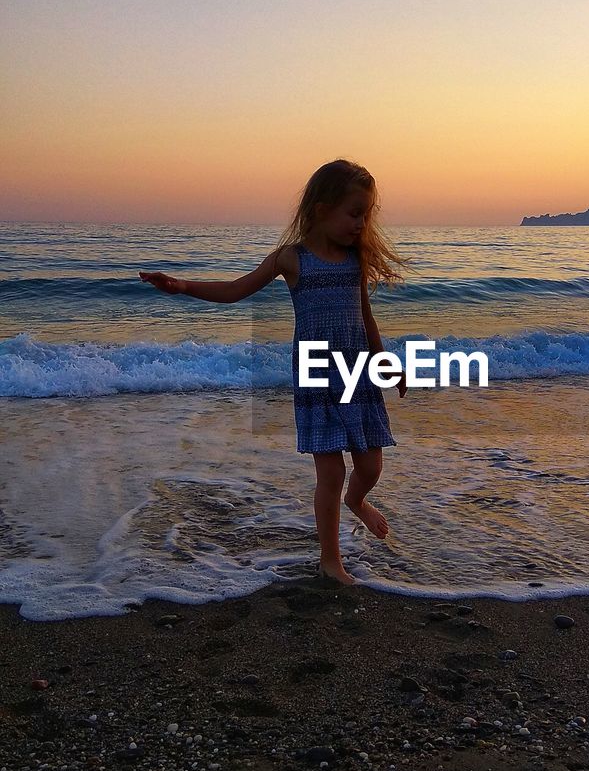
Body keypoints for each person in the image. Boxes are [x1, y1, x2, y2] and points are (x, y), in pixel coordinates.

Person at [139, 159, 407, 585]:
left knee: (371, 466)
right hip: (318, 374)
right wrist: (184, 287)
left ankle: (358, 501)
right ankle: (330, 560)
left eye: (366, 214)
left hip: (357, 371)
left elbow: (365, 316)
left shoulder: (355, 260)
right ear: (321, 209)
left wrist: (386, 360)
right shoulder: (292, 259)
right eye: (354, 213)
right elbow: (236, 289)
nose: (362, 223)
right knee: (331, 472)